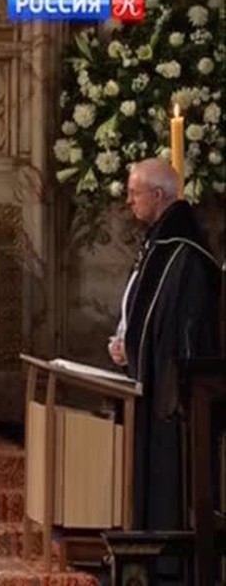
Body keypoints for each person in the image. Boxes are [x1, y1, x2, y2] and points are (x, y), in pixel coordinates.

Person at [108, 158, 222, 578]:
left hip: (173, 397)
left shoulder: (183, 252)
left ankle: (169, 567)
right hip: (152, 380)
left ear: (158, 195)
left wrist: (137, 350)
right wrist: (127, 345)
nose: (128, 200)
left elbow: (181, 327)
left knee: (169, 478)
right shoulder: (160, 242)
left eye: (134, 192)